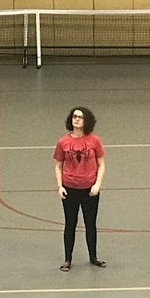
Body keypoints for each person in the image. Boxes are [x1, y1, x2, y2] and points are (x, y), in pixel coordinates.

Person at [54, 107, 107, 272]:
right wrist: (60, 185)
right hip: (70, 188)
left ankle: (93, 257)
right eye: (75, 116)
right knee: (70, 223)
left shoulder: (94, 141)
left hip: (89, 189)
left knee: (91, 224)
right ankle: (67, 259)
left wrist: (97, 184)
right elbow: (58, 165)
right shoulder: (63, 142)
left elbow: (101, 164)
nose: (77, 119)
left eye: (80, 117)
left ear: (86, 121)